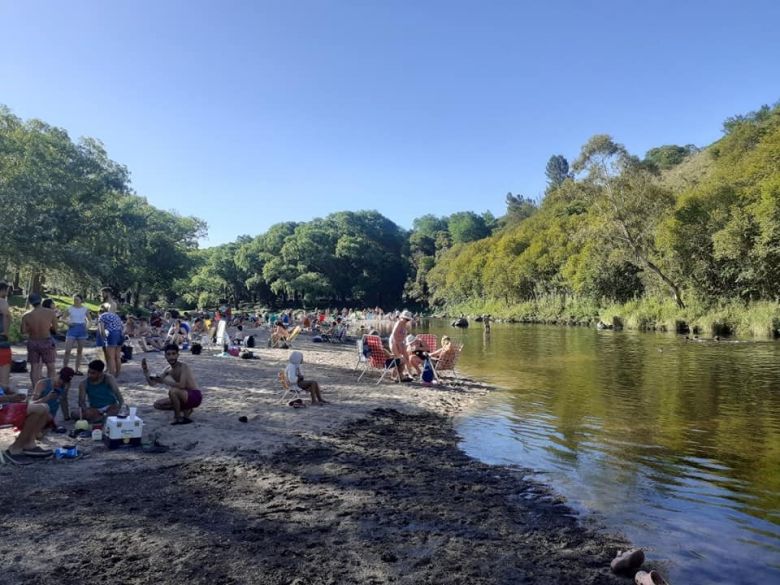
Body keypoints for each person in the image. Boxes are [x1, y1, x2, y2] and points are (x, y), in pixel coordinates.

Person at [143, 343, 202, 425]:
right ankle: (186, 409)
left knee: (173, 391)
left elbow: (182, 385)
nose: (171, 357)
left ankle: (178, 417)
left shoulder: (183, 367)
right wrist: (146, 372)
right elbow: (152, 383)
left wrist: (164, 381)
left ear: (178, 355)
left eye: (174, 354)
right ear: (165, 356)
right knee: (158, 404)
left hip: (194, 396)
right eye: (169, 354)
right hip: (182, 395)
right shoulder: (167, 369)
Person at [0, 386, 54, 460]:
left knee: (45, 407)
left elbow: (5, 387)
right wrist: (10, 398)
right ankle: (15, 448)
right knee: (39, 409)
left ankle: (29, 443)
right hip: (2, 410)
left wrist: (13, 391)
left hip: (5, 406)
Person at [21, 293, 58, 386]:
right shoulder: (50, 312)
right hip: (46, 340)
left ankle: (35, 390)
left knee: (34, 367)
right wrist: (46, 327)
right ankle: (50, 389)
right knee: (51, 366)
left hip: (33, 341)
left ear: (30, 302)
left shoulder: (26, 315)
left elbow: (23, 331)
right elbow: (55, 328)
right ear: (40, 300)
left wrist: (32, 328)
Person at [62, 294, 90, 375]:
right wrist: (68, 323)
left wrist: (87, 327)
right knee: (67, 350)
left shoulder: (85, 309)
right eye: (74, 299)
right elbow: (62, 318)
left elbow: (90, 320)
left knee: (79, 351)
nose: (75, 301)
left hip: (81, 329)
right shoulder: (70, 308)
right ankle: (64, 369)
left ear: (81, 300)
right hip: (72, 329)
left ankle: (77, 369)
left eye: (77, 299)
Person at [96, 303, 123, 377]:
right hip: (120, 335)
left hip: (112, 334)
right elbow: (121, 326)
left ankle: (111, 375)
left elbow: (102, 331)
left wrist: (104, 340)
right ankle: (118, 373)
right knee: (117, 356)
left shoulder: (102, 316)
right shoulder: (116, 315)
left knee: (110, 357)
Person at [389, 310, 414, 381]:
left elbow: (404, 336)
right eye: (406, 319)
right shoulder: (399, 323)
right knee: (399, 359)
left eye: (408, 319)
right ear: (402, 317)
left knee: (406, 358)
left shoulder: (404, 324)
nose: (407, 320)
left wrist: (405, 344)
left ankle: (409, 374)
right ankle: (396, 375)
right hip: (394, 342)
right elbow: (394, 335)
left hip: (401, 342)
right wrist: (398, 345)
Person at [0, 282, 11, 391]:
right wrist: (6, 332)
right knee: (3, 381)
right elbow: (6, 315)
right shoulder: (2, 301)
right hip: (1, 342)